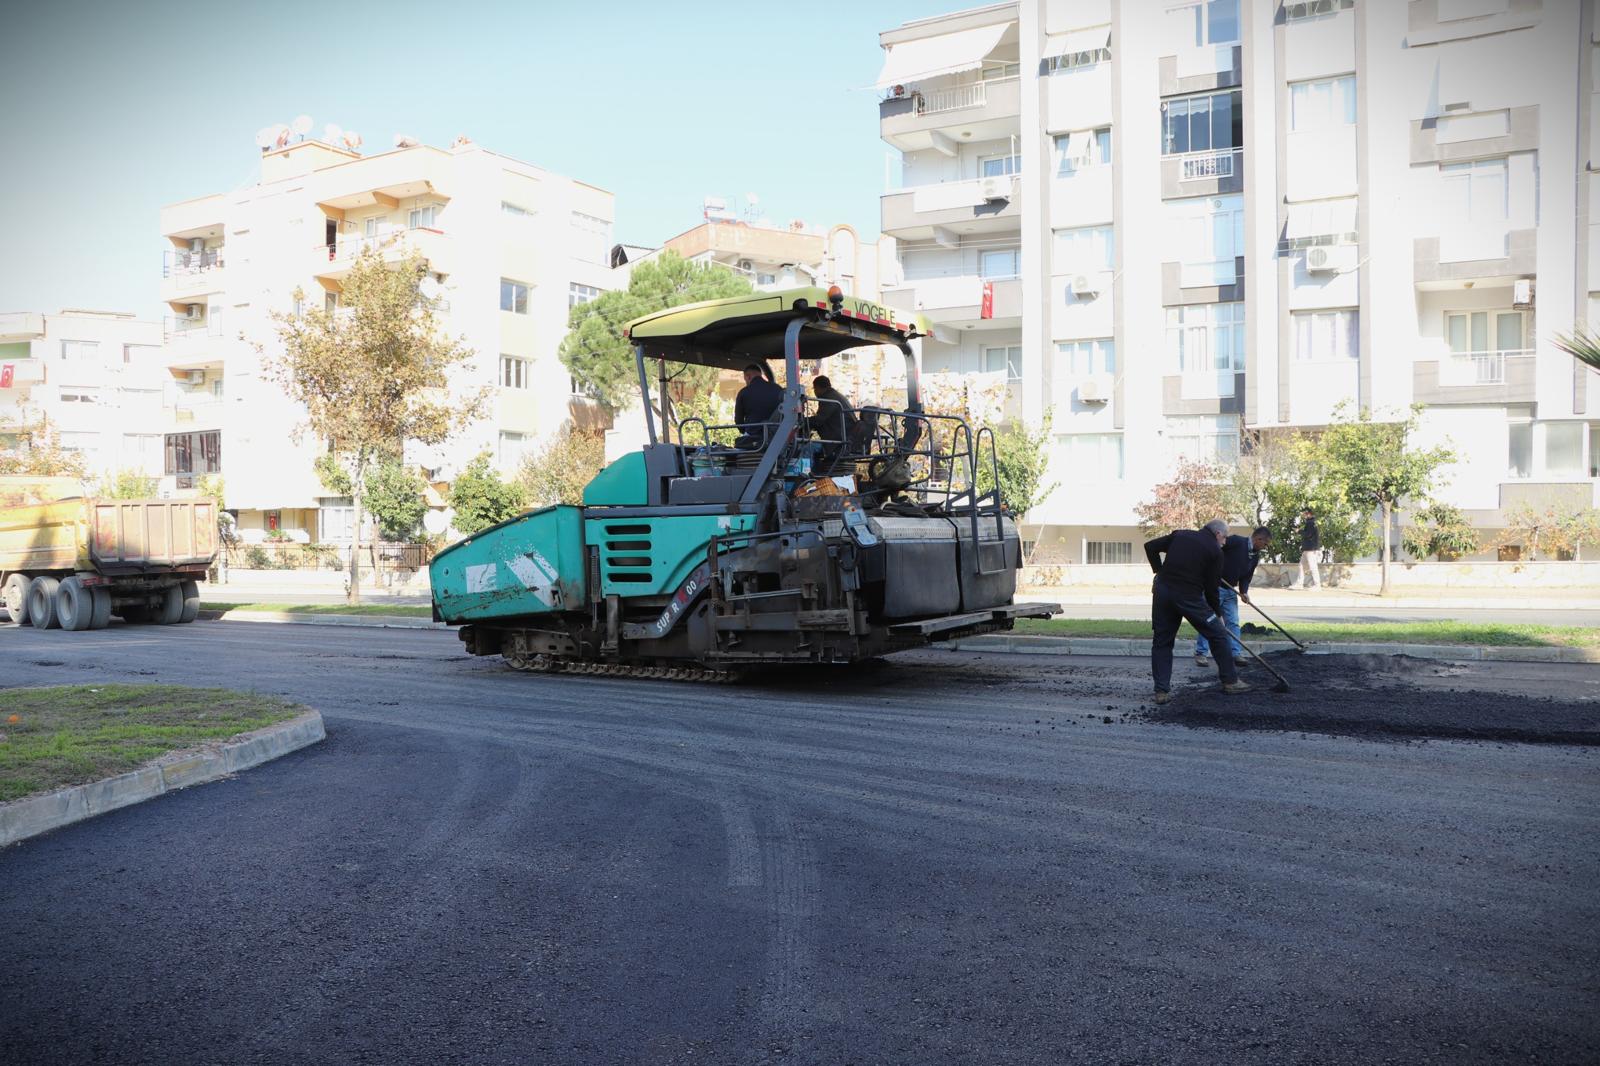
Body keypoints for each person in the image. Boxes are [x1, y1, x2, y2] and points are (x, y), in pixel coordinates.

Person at [1145, 519, 1252, 704]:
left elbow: (1150, 546)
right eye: (1225, 537)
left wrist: (1159, 571)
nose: (1225, 542)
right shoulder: (1215, 551)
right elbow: (1212, 589)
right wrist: (1217, 614)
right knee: (1218, 634)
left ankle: (1161, 692)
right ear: (1217, 534)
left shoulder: (1180, 534)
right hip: (1189, 597)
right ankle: (1231, 681)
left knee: (1162, 641)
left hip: (1163, 593)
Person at [1194, 526, 1271, 669]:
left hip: (1230, 591)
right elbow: (1215, 548)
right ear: (1258, 539)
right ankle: (1201, 653)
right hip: (1215, 587)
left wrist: (1244, 591)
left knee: (1233, 622)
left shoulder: (1255, 555)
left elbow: (1247, 576)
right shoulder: (1236, 542)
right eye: (1265, 544)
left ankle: (1235, 653)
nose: (1265, 547)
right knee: (1209, 620)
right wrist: (1211, 569)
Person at [810, 374, 860, 470]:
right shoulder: (836, 396)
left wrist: (804, 421)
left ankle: (808, 476)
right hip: (845, 439)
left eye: (815, 389)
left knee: (806, 448)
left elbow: (818, 421)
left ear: (818, 388)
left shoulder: (828, 398)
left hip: (838, 443)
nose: (815, 392)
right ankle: (818, 471)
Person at [734, 363, 784, 448]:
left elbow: (739, 421)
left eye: (745, 380)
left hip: (753, 437)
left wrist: (745, 430)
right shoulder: (778, 389)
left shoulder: (744, 392)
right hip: (776, 437)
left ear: (748, 377)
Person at [1298, 507, 1321, 589]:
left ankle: (1317, 585)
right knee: (1301, 566)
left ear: (1309, 514)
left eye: (1305, 514)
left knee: (1313, 567)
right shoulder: (1311, 522)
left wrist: (1299, 531)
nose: (1303, 515)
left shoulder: (1311, 523)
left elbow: (1308, 534)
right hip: (1307, 548)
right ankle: (1299, 584)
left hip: (1311, 549)